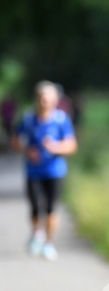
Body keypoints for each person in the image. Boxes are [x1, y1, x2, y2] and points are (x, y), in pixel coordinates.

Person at [11, 80, 77, 261]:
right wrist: (26, 151)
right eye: (41, 98)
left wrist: (56, 147)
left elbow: (71, 145)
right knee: (34, 207)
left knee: (50, 209)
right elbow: (15, 141)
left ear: (55, 100)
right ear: (36, 99)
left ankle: (48, 242)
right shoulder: (28, 119)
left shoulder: (61, 120)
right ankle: (36, 234)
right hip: (33, 171)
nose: (44, 102)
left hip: (55, 171)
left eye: (48, 98)